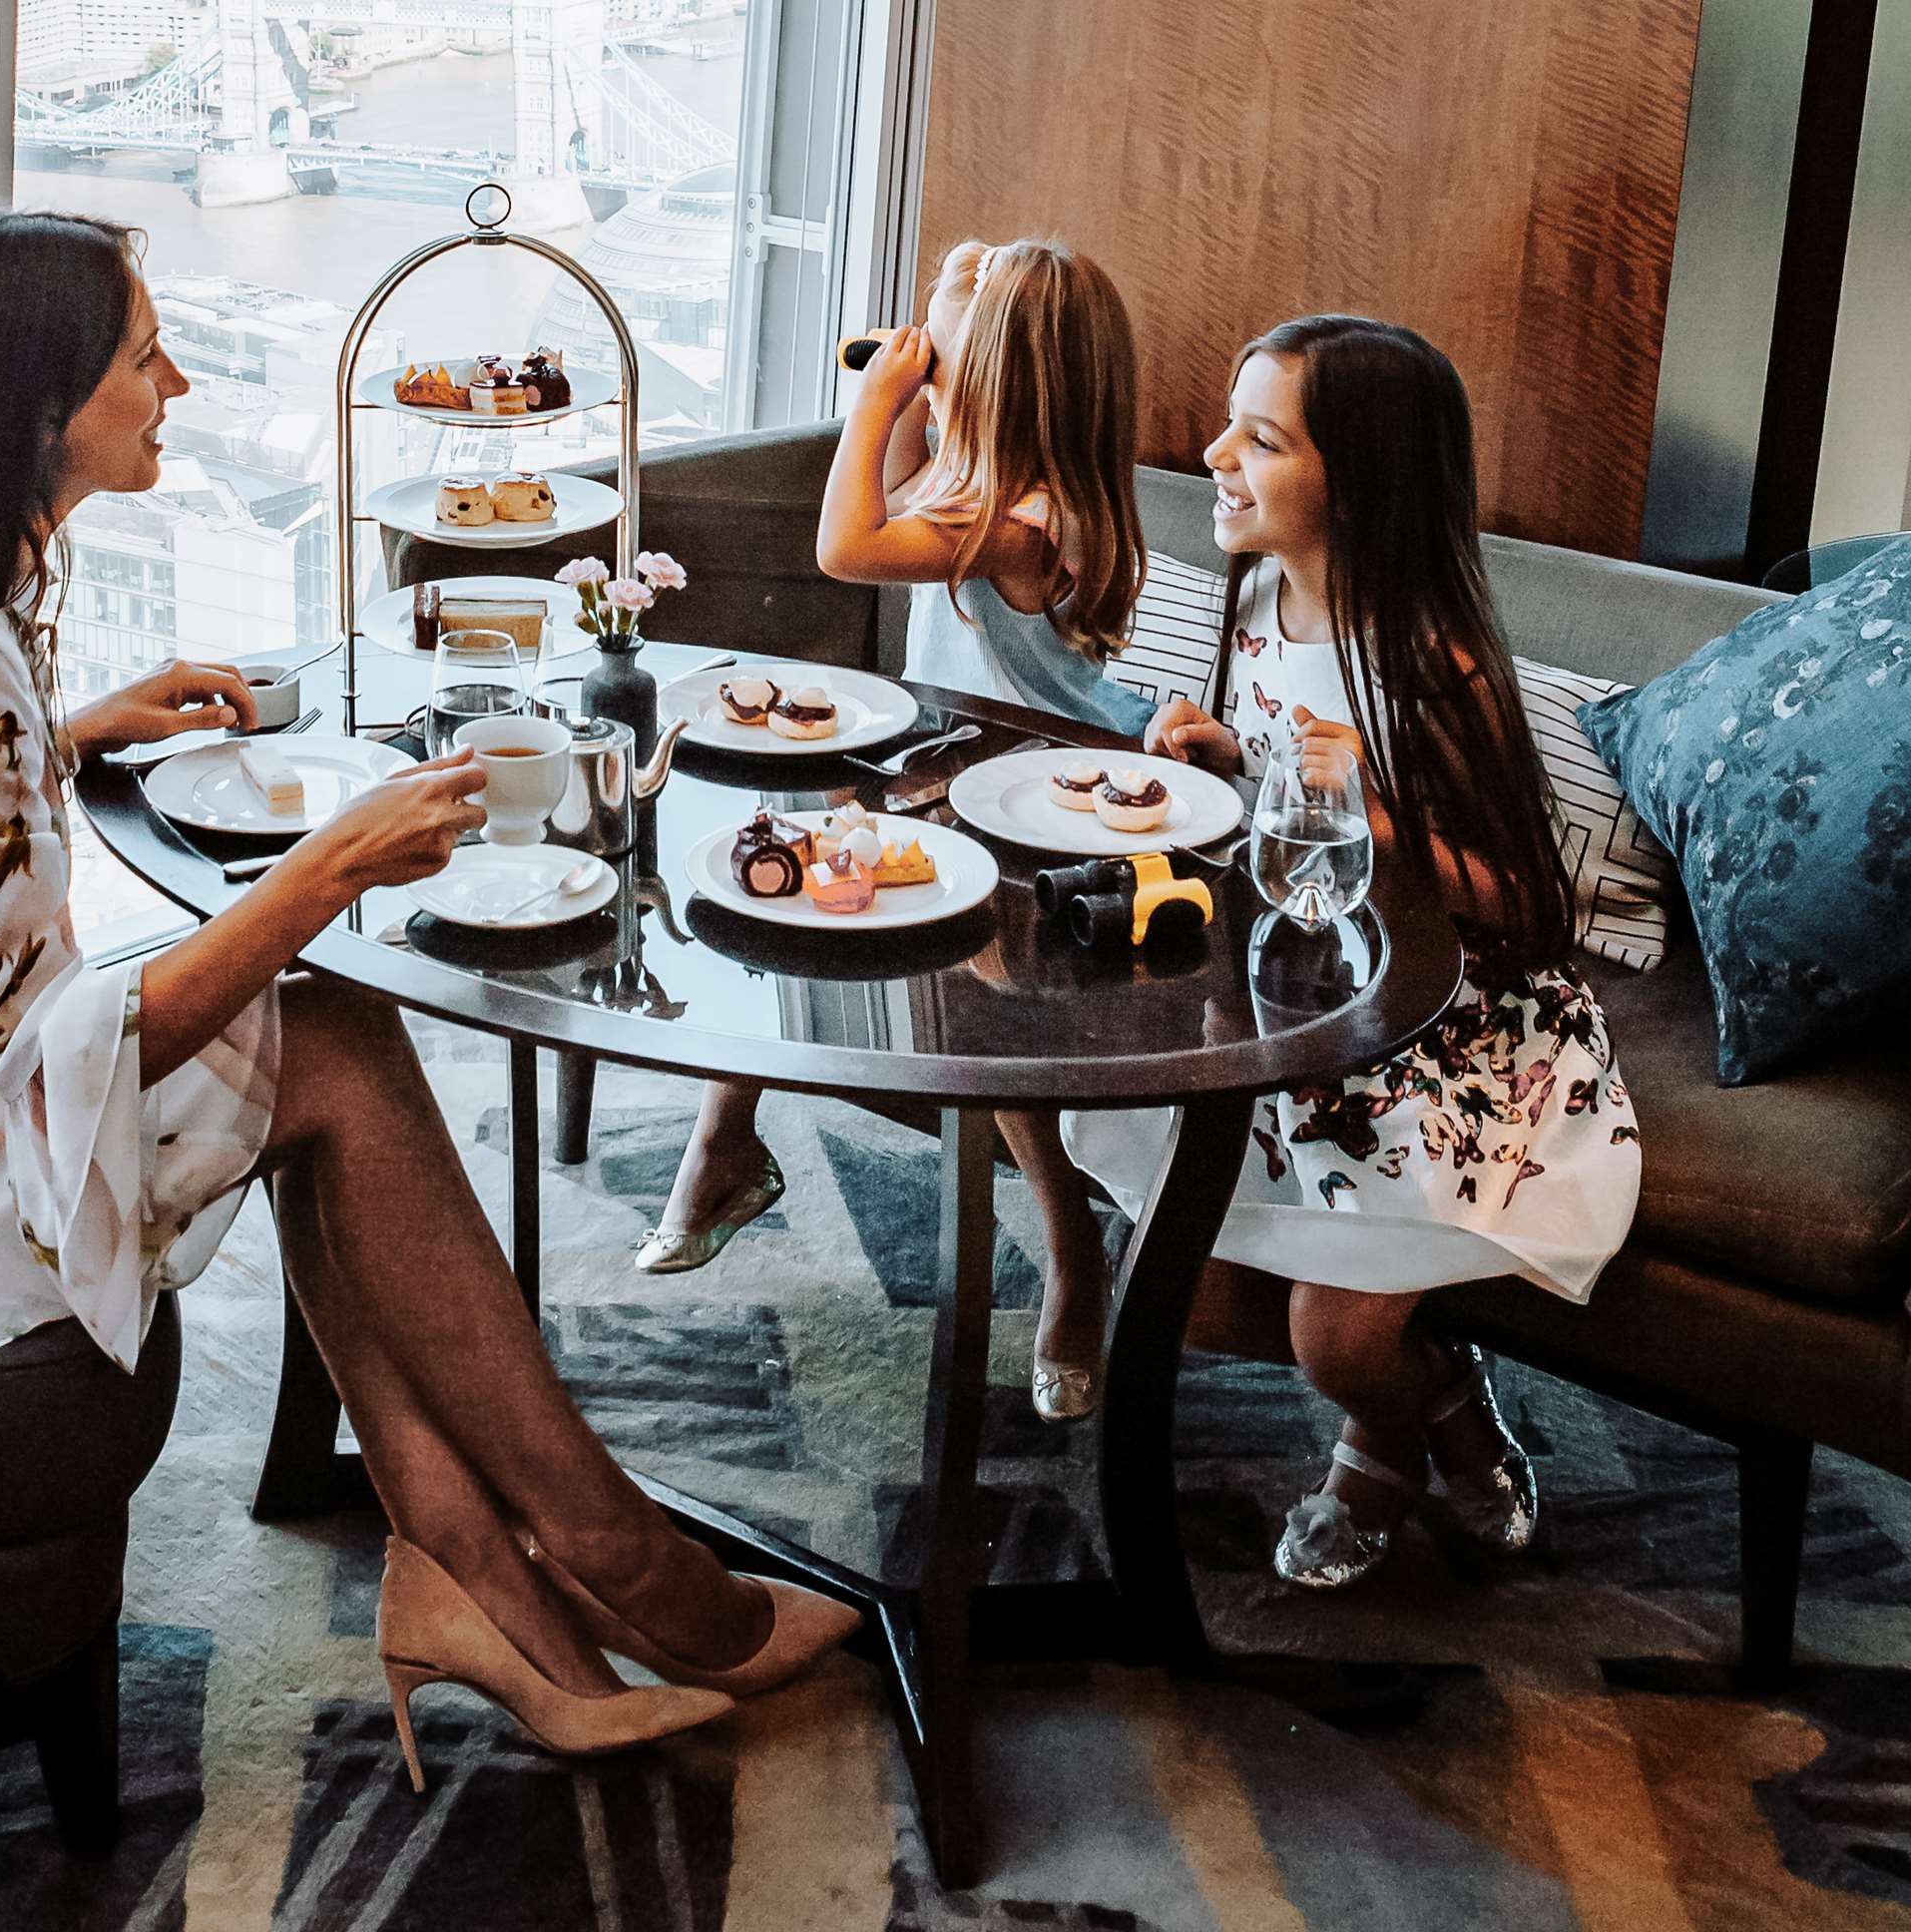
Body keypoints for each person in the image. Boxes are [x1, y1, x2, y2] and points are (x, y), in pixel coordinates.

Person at [0, 210, 854, 1789]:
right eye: (143, 358)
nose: (176, 382)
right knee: (321, 1032)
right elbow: (50, 1054)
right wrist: (330, 863)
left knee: (321, 1042)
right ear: (36, 410)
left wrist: (64, 737)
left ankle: (484, 1568)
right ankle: (615, 1565)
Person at [1063, 314, 1641, 1590]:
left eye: (1260, 439)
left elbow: (1530, 907)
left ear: (1360, 482)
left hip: (1444, 1021)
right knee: (1192, 1294)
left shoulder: (1429, 661)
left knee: (1335, 1341)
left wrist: (1381, 829)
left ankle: (1388, 1433)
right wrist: (1226, 760)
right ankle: (1433, 1406)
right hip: (1299, 985)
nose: (1215, 454)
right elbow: (1282, 780)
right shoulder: (1254, 592)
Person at [638, 239, 1150, 1428]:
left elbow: (845, 548)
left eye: (952, 359)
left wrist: (871, 405)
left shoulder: (1021, 523)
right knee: (786, 897)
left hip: (1030, 821)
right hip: (942, 785)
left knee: (983, 1027)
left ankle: (1072, 1255)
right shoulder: (986, 490)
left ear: (1008, 387)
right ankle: (724, 1145)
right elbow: (908, 490)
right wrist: (919, 389)